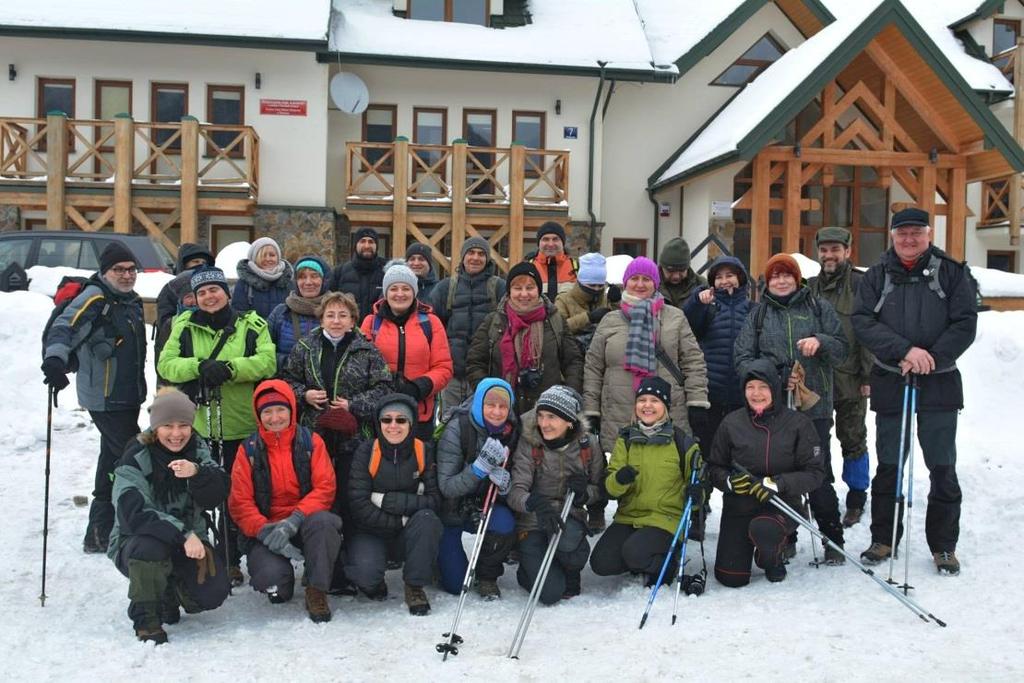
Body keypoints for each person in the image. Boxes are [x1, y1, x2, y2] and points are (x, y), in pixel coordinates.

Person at [852, 208, 977, 575]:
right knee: (889, 463)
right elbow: (862, 321)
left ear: (928, 234)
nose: (909, 240)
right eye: (902, 233)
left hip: (940, 381)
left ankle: (943, 545)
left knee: (942, 465)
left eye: (916, 233)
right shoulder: (876, 276)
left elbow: (965, 321)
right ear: (892, 236)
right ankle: (884, 537)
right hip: (893, 377)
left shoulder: (952, 273)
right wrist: (905, 351)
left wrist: (931, 358)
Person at [157, 265, 277, 583]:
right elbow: (166, 364)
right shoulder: (183, 326)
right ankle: (200, 554)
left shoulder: (251, 324)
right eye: (202, 292)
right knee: (198, 492)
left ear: (226, 292)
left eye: (214, 290)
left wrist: (230, 368)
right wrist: (200, 366)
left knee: (237, 495)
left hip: (242, 424)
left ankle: (230, 557)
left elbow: (267, 361)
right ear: (195, 298)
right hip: (196, 427)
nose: (209, 296)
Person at [734, 253, 848, 563]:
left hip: (815, 408)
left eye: (787, 275)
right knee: (781, 474)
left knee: (818, 474)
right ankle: (786, 536)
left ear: (797, 279)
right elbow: (742, 359)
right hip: (775, 411)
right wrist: (768, 374)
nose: (781, 281)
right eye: (775, 276)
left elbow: (842, 350)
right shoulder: (758, 316)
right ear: (767, 282)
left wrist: (821, 342)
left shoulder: (817, 308)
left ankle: (832, 539)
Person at [583, 256, 709, 532]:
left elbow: (693, 361)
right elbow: (593, 367)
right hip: (620, 407)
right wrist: (591, 409)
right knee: (621, 463)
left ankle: (680, 513)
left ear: (655, 283)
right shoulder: (610, 320)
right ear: (625, 282)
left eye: (647, 279)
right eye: (635, 279)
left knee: (669, 463)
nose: (640, 284)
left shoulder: (675, 317)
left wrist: (697, 399)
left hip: (667, 406)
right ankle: (614, 512)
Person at [42, 241, 147, 553]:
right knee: (136, 457)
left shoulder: (129, 300)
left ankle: (99, 533)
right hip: (104, 398)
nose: (127, 275)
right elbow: (65, 327)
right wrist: (55, 360)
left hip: (127, 396)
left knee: (112, 460)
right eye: (119, 270)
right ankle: (135, 525)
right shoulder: (95, 297)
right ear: (105, 272)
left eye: (131, 269)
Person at [108, 389, 230, 643]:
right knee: (150, 547)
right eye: (168, 426)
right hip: (138, 543)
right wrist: (183, 534)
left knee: (212, 593)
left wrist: (198, 473)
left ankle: (168, 593)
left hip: (189, 543)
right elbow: (134, 514)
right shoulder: (134, 456)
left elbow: (219, 490)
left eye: (183, 425)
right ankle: (146, 618)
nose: (176, 434)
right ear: (155, 427)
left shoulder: (197, 449)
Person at [281, 291, 392, 538]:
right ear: (321, 320)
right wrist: (305, 395)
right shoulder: (305, 347)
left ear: (353, 320)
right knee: (318, 494)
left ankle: (352, 551)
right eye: (330, 315)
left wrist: (353, 405)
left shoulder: (367, 350)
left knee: (351, 495)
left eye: (343, 315)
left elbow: (384, 388)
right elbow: (287, 380)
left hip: (355, 437)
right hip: (313, 435)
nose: (336, 320)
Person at [228, 380, 342, 622]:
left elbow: (325, 488)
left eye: (280, 409)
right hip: (266, 527)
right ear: (258, 416)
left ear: (292, 410)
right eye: (267, 412)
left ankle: (316, 588)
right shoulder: (247, 449)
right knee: (275, 586)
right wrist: (265, 530)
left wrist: (296, 519)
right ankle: (282, 578)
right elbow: (240, 502)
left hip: (305, 521)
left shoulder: (311, 442)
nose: (275, 417)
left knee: (325, 522)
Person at [707, 359, 825, 586]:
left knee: (764, 529)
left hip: (780, 503)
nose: (756, 393)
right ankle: (746, 547)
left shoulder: (798, 423)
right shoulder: (732, 422)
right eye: (750, 387)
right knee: (731, 578)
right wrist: (729, 482)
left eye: (763, 387)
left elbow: (815, 473)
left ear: (774, 388)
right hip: (739, 505)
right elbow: (714, 466)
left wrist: (776, 483)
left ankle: (771, 557)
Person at [590, 378, 702, 586]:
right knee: (602, 563)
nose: (647, 405)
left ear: (665, 407)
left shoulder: (681, 442)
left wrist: (695, 495)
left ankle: (666, 562)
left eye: (655, 401)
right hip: (629, 517)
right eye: (642, 400)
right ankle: (643, 559)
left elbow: (697, 487)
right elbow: (610, 489)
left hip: (665, 519)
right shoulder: (626, 439)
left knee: (634, 552)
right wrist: (620, 479)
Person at [346, 394, 443, 615]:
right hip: (372, 531)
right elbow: (359, 504)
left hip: (408, 529)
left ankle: (414, 585)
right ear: (379, 423)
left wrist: (388, 501)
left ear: (411, 424)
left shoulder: (423, 450)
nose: (393, 426)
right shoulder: (366, 451)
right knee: (366, 577)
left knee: (427, 521)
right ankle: (374, 579)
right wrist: (400, 518)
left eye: (401, 420)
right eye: (386, 420)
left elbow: (434, 500)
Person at [507, 386, 605, 604]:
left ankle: (568, 568)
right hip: (533, 521)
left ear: (570, 420)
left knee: (571, 548)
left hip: (569, 517)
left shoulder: (587, 445)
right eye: (541, 416)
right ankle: (529, 571)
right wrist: (532, 503)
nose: (544, 424)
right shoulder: (530, 442)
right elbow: (516, 492)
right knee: (550, 594)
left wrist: (583, 493)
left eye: (552, 417)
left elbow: (600, 490)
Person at [807, 227, 873, 527]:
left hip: (851, 379)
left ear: (848, 251)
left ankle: (857, 497)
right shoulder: (809, 288)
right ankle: (822, 494)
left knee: (853, 438)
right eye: (824, 250)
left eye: (835, 249)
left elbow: (869, 333)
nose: (829, 255)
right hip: (816, 381)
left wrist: (869, 375)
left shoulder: (861, 285)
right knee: (815, 440)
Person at [436, 378, 519, 599]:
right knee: (455, 584)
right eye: (490, 405)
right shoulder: (458, 428)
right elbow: (446, 487)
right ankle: (439, 562)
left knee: (505, 523)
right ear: (479, 403)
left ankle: (487, 575)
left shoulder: (511, 431)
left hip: (483, 504)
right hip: (451, 509)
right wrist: (478, 470)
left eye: (503, 406)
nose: (497, 412)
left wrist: (505, 486)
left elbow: (517, 478)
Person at [466, 261, 583, 415]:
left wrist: (567, 396)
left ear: (538, 290)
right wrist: (489, 394)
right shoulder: (494, 321)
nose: (524, 294)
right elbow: (475, 362)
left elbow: (573, 362)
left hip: (545, 413)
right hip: (501, 412)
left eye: (530, 288)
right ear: (509, 291)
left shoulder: (555, 320)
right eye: (517, 288)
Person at [361, 261, 452, 439]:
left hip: (420, 412)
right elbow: (360, 365)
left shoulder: (431, 323)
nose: (400, 294)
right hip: (380, 411)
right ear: (386, 293)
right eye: (394, 289)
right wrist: (384, 382)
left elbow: (444, 367)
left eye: (406, 288)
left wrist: (420, 387)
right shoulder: (371, 323)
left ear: (414, 292)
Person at [682, 255, 752, 448]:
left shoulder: (753, 310)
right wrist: (697, 301)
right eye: (718, 277)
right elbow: (688, 325)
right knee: (709, 449)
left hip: (742, 396)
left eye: (729, 275)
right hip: (711, 393)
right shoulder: (707, 308)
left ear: (740, 279)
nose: (724, 281)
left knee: (738, 449)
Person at [430, 236, 506, 411]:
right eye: (471, 252)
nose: (475, 258)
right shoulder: (445, 288)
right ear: (463, 256)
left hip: (485, 375)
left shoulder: (499, 287)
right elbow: (432, 329)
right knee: (448, 425)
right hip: (452, 376)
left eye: (481, 254)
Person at [267, 255, 331, 371]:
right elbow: (265, 353)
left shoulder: (335, 312)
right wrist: (291, 362)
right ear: (296, 282)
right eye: (302, 277)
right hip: (287, 382)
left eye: (314, 276)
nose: (308, 282)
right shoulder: (280, 312)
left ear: (324, 280)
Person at [555, 252, 613, 350]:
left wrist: (616, 303)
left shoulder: (606, 299)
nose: (596, 289)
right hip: (572, 354)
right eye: (592, 285)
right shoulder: (563, 300)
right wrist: (588, 318)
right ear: (581, 282)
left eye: (600, 285)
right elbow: (558, 329)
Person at [329, 227, 386, 320]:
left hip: (379, 330)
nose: (367, 246)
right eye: (362, 241)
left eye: (371, 242)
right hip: (348, 331)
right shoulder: (339, 273)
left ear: (377, 246)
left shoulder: (387, 272)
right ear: (355, 245)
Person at [232, 237, 295, 320]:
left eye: (272, 255)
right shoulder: (244, 284)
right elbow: (239, 314)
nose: (268, 259)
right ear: (254, 257)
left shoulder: (288, 282)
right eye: (263, 255)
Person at [155, 243, 215, 329]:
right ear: (184, 264)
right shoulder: (170, 289)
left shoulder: (211, 287)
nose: (201, 265)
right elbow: (164, 323)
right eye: (196, 262)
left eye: (204, 262)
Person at [529, 221, 577, 300]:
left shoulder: (577, 268)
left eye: (555, 239)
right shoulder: (529, 268)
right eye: (546, 239)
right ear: (539, 243)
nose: (551, 244)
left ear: (563, 243)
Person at [658, 237, 706, 309]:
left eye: (681, 271)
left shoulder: (701, 284)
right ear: (662, 267)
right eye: (670, 271)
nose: (676, 276)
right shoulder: (650, 284)